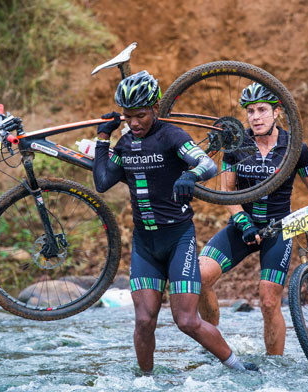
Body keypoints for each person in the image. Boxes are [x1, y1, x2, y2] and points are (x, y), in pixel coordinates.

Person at [92, 70, 257, 373]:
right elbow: (102, 181)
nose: (135, 123)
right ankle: (146, 384)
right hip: (145, 244)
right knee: (144, 322)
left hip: (178, 239)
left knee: (186, 321)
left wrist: (189, 175)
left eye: (140, 115)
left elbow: (206, 164)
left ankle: (238, 368)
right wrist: (103, 137)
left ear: (155, 107)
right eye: (128, 117)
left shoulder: (171, 136)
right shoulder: (125, 144)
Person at [198, 82, 308, 355]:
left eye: (261, 110)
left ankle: (275, 366)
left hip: (279, 229)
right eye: (250, 111)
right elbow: (227, 191)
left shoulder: (295, 147)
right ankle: (211, 342)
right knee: (199, 276)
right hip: (243, 226)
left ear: (277, 112)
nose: (255, 117)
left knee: (269, 301)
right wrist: (243, 223)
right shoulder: (236, 145)